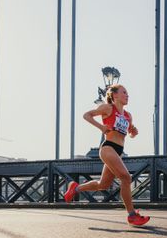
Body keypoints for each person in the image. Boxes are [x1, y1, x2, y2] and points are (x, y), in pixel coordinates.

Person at [64, 84, 150, 226]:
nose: (127, 95)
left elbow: (129, 133)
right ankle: (132, 215)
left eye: (127, 93)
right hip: (108, 148)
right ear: (114, 95)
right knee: (126, 178)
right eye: (124, 92)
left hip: (118, 151)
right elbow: (87, 115)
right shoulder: (108, 108)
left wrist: (133, 132)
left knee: (102, 185)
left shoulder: (128, 116)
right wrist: (101, 127)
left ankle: (75, 188)